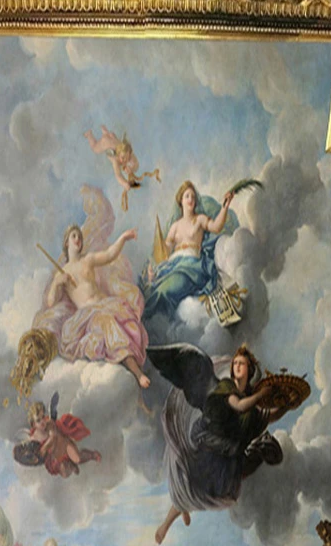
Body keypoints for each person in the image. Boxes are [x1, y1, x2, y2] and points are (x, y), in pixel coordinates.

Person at [149, 343, 283, 544]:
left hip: (226, 452)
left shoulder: (251, 404)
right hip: (209, 440)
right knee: (191, 481)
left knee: (204, 489)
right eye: (235, 363)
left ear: (250, 369)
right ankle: (166, 524)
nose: (237, 366)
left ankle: (179, 513)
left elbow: (268, 416)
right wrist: (261, 395)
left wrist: (287, 404)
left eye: (242, 364)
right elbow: (239, 406)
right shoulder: (227, 387)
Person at [34, 223, 150, 388]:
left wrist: (123, 238)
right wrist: (57, 283)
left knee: (119, 320)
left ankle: (133, 369)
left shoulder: (87, 260)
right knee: (108, 322)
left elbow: (110, 254)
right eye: (74, 236)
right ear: (66, 243)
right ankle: (137, 373)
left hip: (107, 305)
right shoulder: (62, 272)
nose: (78, 239)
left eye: (80, 237)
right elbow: (51, 302)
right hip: (88, 315)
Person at [143, 180, 236, 323]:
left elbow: (216, 227)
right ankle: (150, 325)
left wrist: (225, 207)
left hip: (191, 268)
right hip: (173, 266)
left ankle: (154, 323)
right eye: (187, 196)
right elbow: (165, 251)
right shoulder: (175, 226)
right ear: (180, 200)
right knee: (155, 292)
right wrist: (154, 261)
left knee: (164, 291)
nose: (190, 199)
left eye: (193, 196)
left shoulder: (199, 219)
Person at [28, 398, 101, 478]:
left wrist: (44, 448)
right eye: (38, 420)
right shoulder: (34, 436)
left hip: (65, 446)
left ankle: (92, 455)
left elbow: (53, 437)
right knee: (65, 474)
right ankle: (71, 465)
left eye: (43, 417)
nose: (42, 421)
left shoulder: (49, 425)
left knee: (78, 458)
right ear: (33, 424)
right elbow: (32, 448)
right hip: (56, 456)